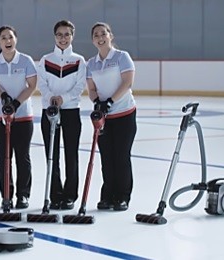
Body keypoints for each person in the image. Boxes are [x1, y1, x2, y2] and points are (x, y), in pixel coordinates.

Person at [86, 22, 137, 211]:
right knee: (107, 158)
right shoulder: (91, 63)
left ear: (110, 36)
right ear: (93, 40)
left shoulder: (122, 57)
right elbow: (91, 89)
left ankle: (122, 196)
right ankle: (107, 195)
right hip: (104, 118)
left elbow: (127, 82)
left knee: (121, 157)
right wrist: (97, 101)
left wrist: (110, 102)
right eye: (96, 35)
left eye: (103, 33)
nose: (100, 37)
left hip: (124, 114)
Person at [0, 25, 37, 209]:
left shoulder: (26, 60)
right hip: (1, 116)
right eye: (3, 38)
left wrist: (16, 103)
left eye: (10, 37)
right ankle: (6, 194)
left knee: (22, 156)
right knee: (4, 157)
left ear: (16, 39)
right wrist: (3, 97)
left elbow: (31, 85)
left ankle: (23, 195)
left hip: (23, 116)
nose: (8, 41)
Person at [37, 20, 86, 210]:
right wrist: (51, 98)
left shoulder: (79, 60)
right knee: (52, 154)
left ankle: (70, 195)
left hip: (71, 110)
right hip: (49, 111)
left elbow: (80, 86)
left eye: (67, 34)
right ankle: (54, 194)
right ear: (54, 36)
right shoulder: (46, 59)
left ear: (72, 36)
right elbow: (41, 84)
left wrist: (63, 99)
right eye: (59, 34)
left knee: (71, 154)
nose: (63, 38)